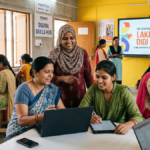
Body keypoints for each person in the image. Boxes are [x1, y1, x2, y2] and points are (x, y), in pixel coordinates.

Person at [5, 56, 65, 141]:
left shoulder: (52, 89)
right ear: (35, 72)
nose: (51, 75)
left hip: (41, 132)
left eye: (52, 72)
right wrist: (43, 116)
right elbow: (22, 121)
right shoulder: (23, 90)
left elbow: (63, 112)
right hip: (19, 133)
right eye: (47, 72)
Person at [79, 60, 143, 134]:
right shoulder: (93, 89)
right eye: (97, 77)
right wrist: (90, 117)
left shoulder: (123, 92)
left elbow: (138, 116)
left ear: (113, 77)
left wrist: (127, 125)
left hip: (119, 132)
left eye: (104, 77)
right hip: (99, 132)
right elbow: (81, 110)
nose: (99, 81)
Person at [49, 24, 94, 108]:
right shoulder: (54, 54)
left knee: (80, 119)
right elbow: (46, 77)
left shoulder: (82, 53)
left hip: (81, 98)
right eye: (65, 39)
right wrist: (61, 78)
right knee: (63, 120)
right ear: (59, 39)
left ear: (75, 38)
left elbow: (88, 76)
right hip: (60, 100)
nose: (69, 41)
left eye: (71, 38)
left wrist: (93, 95)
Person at [0, 55, 16, 121]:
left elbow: (1, 90)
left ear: (1, 63)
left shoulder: (3, 73)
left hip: (5, 98)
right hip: (11, 97)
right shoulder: (10, 71)